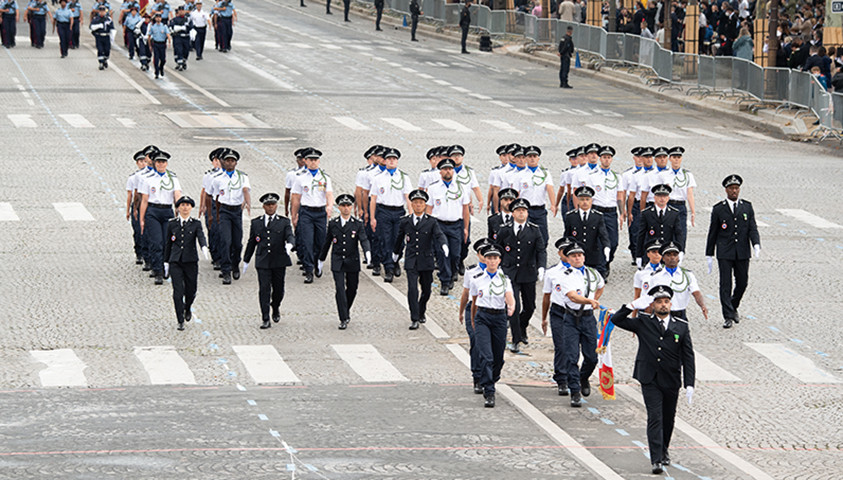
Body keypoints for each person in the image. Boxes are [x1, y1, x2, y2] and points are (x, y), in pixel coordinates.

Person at [610, 285, 696, 474]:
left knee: (668, 418)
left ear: (671, 304)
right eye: (659, 302)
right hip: (650, 377)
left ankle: (664, 449)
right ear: (653, 305)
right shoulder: (643, 322)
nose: (663, 305)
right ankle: (656, 459)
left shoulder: (681, 326)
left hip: (672, 378)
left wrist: (690, 383)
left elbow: (688, 356)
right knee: (655, 417)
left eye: (666, 302)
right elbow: (616, 320)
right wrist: (631, 305)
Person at [705, 174, 760, 329]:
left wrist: (756, 244)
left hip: (742, 251)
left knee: (742, 282)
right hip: (725, 252)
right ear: (726, 190)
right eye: (731, 188)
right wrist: (709, 253)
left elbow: (752, 227)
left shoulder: (747, 207)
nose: (734, 191)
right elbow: (713, 232)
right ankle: (728, 316)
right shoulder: (718, 209)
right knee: (725, 284)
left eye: (736, 188)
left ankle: (733, 304)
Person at [553, 241, 604, 406]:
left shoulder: (593, 273)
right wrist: (590, 300)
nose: (577, 258)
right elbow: (572, 296)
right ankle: (574, 391)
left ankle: (583, 377)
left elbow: (601, 286)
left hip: (588, 318)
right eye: (574, 256)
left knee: (592, 357)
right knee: (571, 356)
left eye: (580, 255)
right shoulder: (566, 275)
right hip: (571, 317)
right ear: (568, 259)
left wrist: (594, 300)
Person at [495, 197, 547, 353]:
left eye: (523, 211)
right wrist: (497, 267)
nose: (521, 213)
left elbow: (540, 250)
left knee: (530, 306)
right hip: (510, 272)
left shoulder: (534, 229)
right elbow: (498, 249)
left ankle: (522, 325)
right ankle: (516, 338)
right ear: (513, 213)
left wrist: (541, 267)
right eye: (518, 211)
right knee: (514, 306)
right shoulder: (505, 229)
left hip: (528, 272)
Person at [393, 189, 448, 330]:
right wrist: (395, 254)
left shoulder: (432, 222)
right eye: (415, 203)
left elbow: (439, 235)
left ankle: (421, 309)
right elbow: (400, 239)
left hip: (426, 260)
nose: (418, 205)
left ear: (425, 205)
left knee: (426, 290)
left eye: (421, 203)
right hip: (411, 259)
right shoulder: (405, 221)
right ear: (411, 204)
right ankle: (414, 317)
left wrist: (444, 245)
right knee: (412, 289)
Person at [469, 244, 516, 408]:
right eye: (489, 258)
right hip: (483, 317)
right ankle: (489, 391)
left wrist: (511, 306)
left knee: (498, 357)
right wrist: (473, 320)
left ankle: (492, 377)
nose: (492, 261)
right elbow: (474, 302)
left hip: (499, 318)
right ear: (485, 260)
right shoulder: (477, 279)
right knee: (486, 355)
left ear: (499, 261)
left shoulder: (504, 280)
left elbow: (509, 296)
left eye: (495, 258)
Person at [243, 193, 295, 329]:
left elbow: (290, 235)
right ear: (263, 206)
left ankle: (275, 306)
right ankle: (265, 318)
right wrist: (246, 260)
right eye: (268, 205)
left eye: (273, 204)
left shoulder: (283, 222)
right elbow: (252, 242)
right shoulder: (256, 222)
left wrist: (290, 245)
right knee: (264, 289)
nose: (271, 207)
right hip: (263, 261)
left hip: (279, 260)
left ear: (276, 205)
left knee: (279, 289)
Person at [319, 194, 371, 330]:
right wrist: (321, 259)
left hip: (352, 260)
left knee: (352, 289)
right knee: (340, 289)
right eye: (343, 206)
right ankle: (343, 317)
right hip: (337, 260)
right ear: (339, 207)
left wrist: (367, 252)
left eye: (348, 206)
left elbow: (363, 239)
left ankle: (345, 309)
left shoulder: (357, 224)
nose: (346, 208)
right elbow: (327, 242)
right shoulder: (333, 224)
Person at [163, 196, 209, 331]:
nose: (184, 207)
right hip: (175, 261)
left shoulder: (195, 223)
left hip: (190, 261)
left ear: (191, 208)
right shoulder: (172, 224)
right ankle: (180, 320)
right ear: (178, 208)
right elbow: (168, 243)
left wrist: (204, 247)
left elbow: (201, 236)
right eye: (182, 205)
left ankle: (187, 307)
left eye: (187, 205)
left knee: (191, 290)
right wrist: (166, 262)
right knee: (178, 292)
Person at [426, 157, 470, 296]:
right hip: (439, 225)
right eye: (445, 169)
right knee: (442, 253)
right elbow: (429, 208)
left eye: (450, 169)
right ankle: (445, 281)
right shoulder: (433, 188)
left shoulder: (461, 187)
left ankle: (452, 274)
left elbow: (465, 209)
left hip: (456, 224)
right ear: (440, 172)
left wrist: (466, 228)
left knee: (455, 254)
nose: (448, 171)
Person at [138, 150, 182, 285]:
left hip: (167, 211)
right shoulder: (148, 179)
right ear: (155, 163)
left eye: (163, 162)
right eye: (158, 162)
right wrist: (141, 218)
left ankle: (165, 267)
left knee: (166, 242)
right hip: (153, 211)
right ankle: (158, 271)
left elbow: (177, 195)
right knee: (156, 242)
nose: (161, 164)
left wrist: (180, 212)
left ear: (167, 164)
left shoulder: (172, 178)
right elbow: (144, 200)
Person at [369, 148, 412, 283]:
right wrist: (372, 218)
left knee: (398, 242)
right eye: (389, 159)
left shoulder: (404, 177)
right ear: (385, 161)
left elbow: (408, 198)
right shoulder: (378, 178)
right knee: (386, 240)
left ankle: (395, 261)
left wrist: (411, 216)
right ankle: (388, 268)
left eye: (394, 159)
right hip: (384, 212)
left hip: (399, 211)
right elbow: (374, 199)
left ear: (397, 161)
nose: (391, 161)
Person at [290, 148, 333, 284]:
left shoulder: (325, 178)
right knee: (307, 241)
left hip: (320, 213)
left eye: (315, 160)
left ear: (319, 161)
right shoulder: (300, 178)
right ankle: (309, 270)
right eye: (310, 160)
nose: (313, 162)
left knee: (320, 242)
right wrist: (294, 214)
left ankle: (316, 264)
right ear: (306, 161)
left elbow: (329, 194)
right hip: (306, 212)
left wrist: (329, 206)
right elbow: (296, 198)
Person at [540, 236, 575, 396]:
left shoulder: (580, 270)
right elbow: (546, 296)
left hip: (576, 312)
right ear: (560, 253)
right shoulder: (552, 272)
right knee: (561, 345)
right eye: (564, 251)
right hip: (559, 312)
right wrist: (543, 317)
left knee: (573, 347)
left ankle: (573, 376)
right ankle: (561, 378)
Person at [211, 148, 251, 285]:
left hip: (237, 211)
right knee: (225, 241)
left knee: (237, 243)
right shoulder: (217, 179)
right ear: (223, 162)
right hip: (224, 211)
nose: (230, 163)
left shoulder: (242, 177)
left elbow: (246, 191)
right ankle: (226, 270)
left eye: (232, 161)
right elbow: (216, 198)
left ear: (236, 163)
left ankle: (235, 265)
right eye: (227, 160)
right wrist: (216, 215)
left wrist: (248, 203)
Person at [459, 238, 493, 395]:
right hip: (473, 310)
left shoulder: (498, 272)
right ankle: (477, 376)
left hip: (491, 311)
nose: (486, 258)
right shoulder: (471, 271)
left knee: (489, 346)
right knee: (476, 341)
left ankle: (489, 376)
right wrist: (461, 311)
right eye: (483, 254)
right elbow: (466, 293)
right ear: (478, 255)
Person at [584, 145, 624, 278]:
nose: (606, 160)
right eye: (604, 157)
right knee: (599, 241)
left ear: (612, 159)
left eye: (609, 157)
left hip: (611, 212)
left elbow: (620, 196)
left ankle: (607, 261)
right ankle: (600, 269)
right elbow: (588, 196)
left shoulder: (617, 176)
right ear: (600, 159)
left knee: (613, 242)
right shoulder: (592, 176)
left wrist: (622, 213)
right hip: (597, 210)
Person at [649, 241, 709, 321]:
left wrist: (702, 305)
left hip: (680, 314)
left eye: (675, 255)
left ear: (678, 258)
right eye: (668, 255)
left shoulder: (687, 275)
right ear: (663, 258)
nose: (672, 258)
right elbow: (648, 299)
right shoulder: (656, 276)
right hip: (661, 315)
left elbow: (696, 293)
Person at [512, 145, 556, 245]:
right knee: (525, 236)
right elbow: (516, 194)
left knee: (543, 237)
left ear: (538, 158)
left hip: (540, 210)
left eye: (534, 156)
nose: (532, 158)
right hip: (525, 210)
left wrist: (553, 205)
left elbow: (549, 188)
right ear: (526, 158)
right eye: (530, 156)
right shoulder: (520, 175)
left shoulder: (545, 173)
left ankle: (540, 259)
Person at [563, 186, 610, 276]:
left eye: (587, 199)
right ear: (578, 201)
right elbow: (567, 235)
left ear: (591, 201)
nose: (585, 202)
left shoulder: (597, 216)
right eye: (582, 199)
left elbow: (603, 234)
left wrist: (606, 246)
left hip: (593, 254)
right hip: (577, 254)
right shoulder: (571, 216)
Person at [636, 184, 681, 266]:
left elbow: (678, 234)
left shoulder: (674, 213)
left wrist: (680, 251)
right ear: (654, 198)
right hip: (652, 252)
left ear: (668, 198)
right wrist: (639, 255)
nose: (662, 199)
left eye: (664, 196)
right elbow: (641, 235)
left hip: (667, 251)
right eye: (659, 196)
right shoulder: (647, 213)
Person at [200, 147, 224, 270]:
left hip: (226, 205)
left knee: (224, 232)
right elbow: (205, 192)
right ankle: (216, 256)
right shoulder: (210, 175)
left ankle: (225, 256)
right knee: (214, 230)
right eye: (217, 160)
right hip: (214, 205)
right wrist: (202, 206)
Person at [125, 150, 148, 265]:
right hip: (137, 205)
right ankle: (139, 253)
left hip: (147, 204)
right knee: (138, 231)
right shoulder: (133, 178)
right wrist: (128, 210)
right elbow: (130, 195)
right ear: (137, 163)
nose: (143, 164)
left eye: (145, 161)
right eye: (140, 162)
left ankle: (147, 253)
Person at [169, 6, 190, 70]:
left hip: (186, 37)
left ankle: (183, 61)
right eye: (180, 10)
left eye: (182, 10)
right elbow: (172, 27)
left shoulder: (188, 19)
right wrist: (180, 28)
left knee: (186, 50)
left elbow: (190, 27)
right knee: (179, 50)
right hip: (178, 37)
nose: (181, 12)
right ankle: (180, 63)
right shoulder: (175, 19)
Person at [148, 13, 169, 78]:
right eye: (157, 17)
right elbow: (149, 36)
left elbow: (168, 34)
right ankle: (156, 72)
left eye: (159, 17)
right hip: (156, 44)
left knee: (163, 59)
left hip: (162, 44)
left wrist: (169, 41)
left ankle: (161, 68)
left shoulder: (164, 26)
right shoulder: (153, 27)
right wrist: (150, 45)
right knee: (156, 58)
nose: (158, 19)